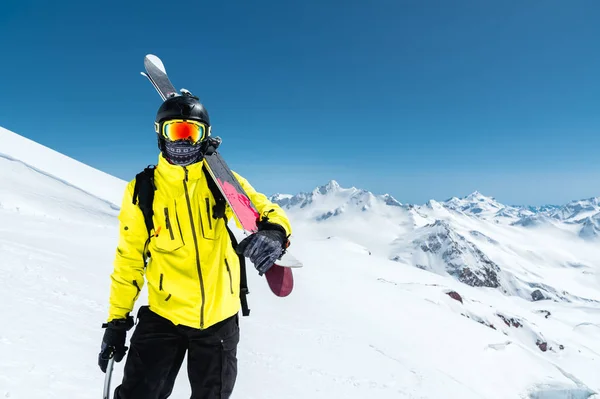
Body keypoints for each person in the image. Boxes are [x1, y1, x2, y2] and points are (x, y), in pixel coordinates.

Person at [97, 93, 292, 399]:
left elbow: (265, 210)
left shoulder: (220, 180)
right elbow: (129, 259)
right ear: (160, 133)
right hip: (164, 315)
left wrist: (275, 233)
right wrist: (117, 320)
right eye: (176, 131)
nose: (184, 142)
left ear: (206, 137)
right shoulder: (144, 189)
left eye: (193, 133)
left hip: (219, 322)